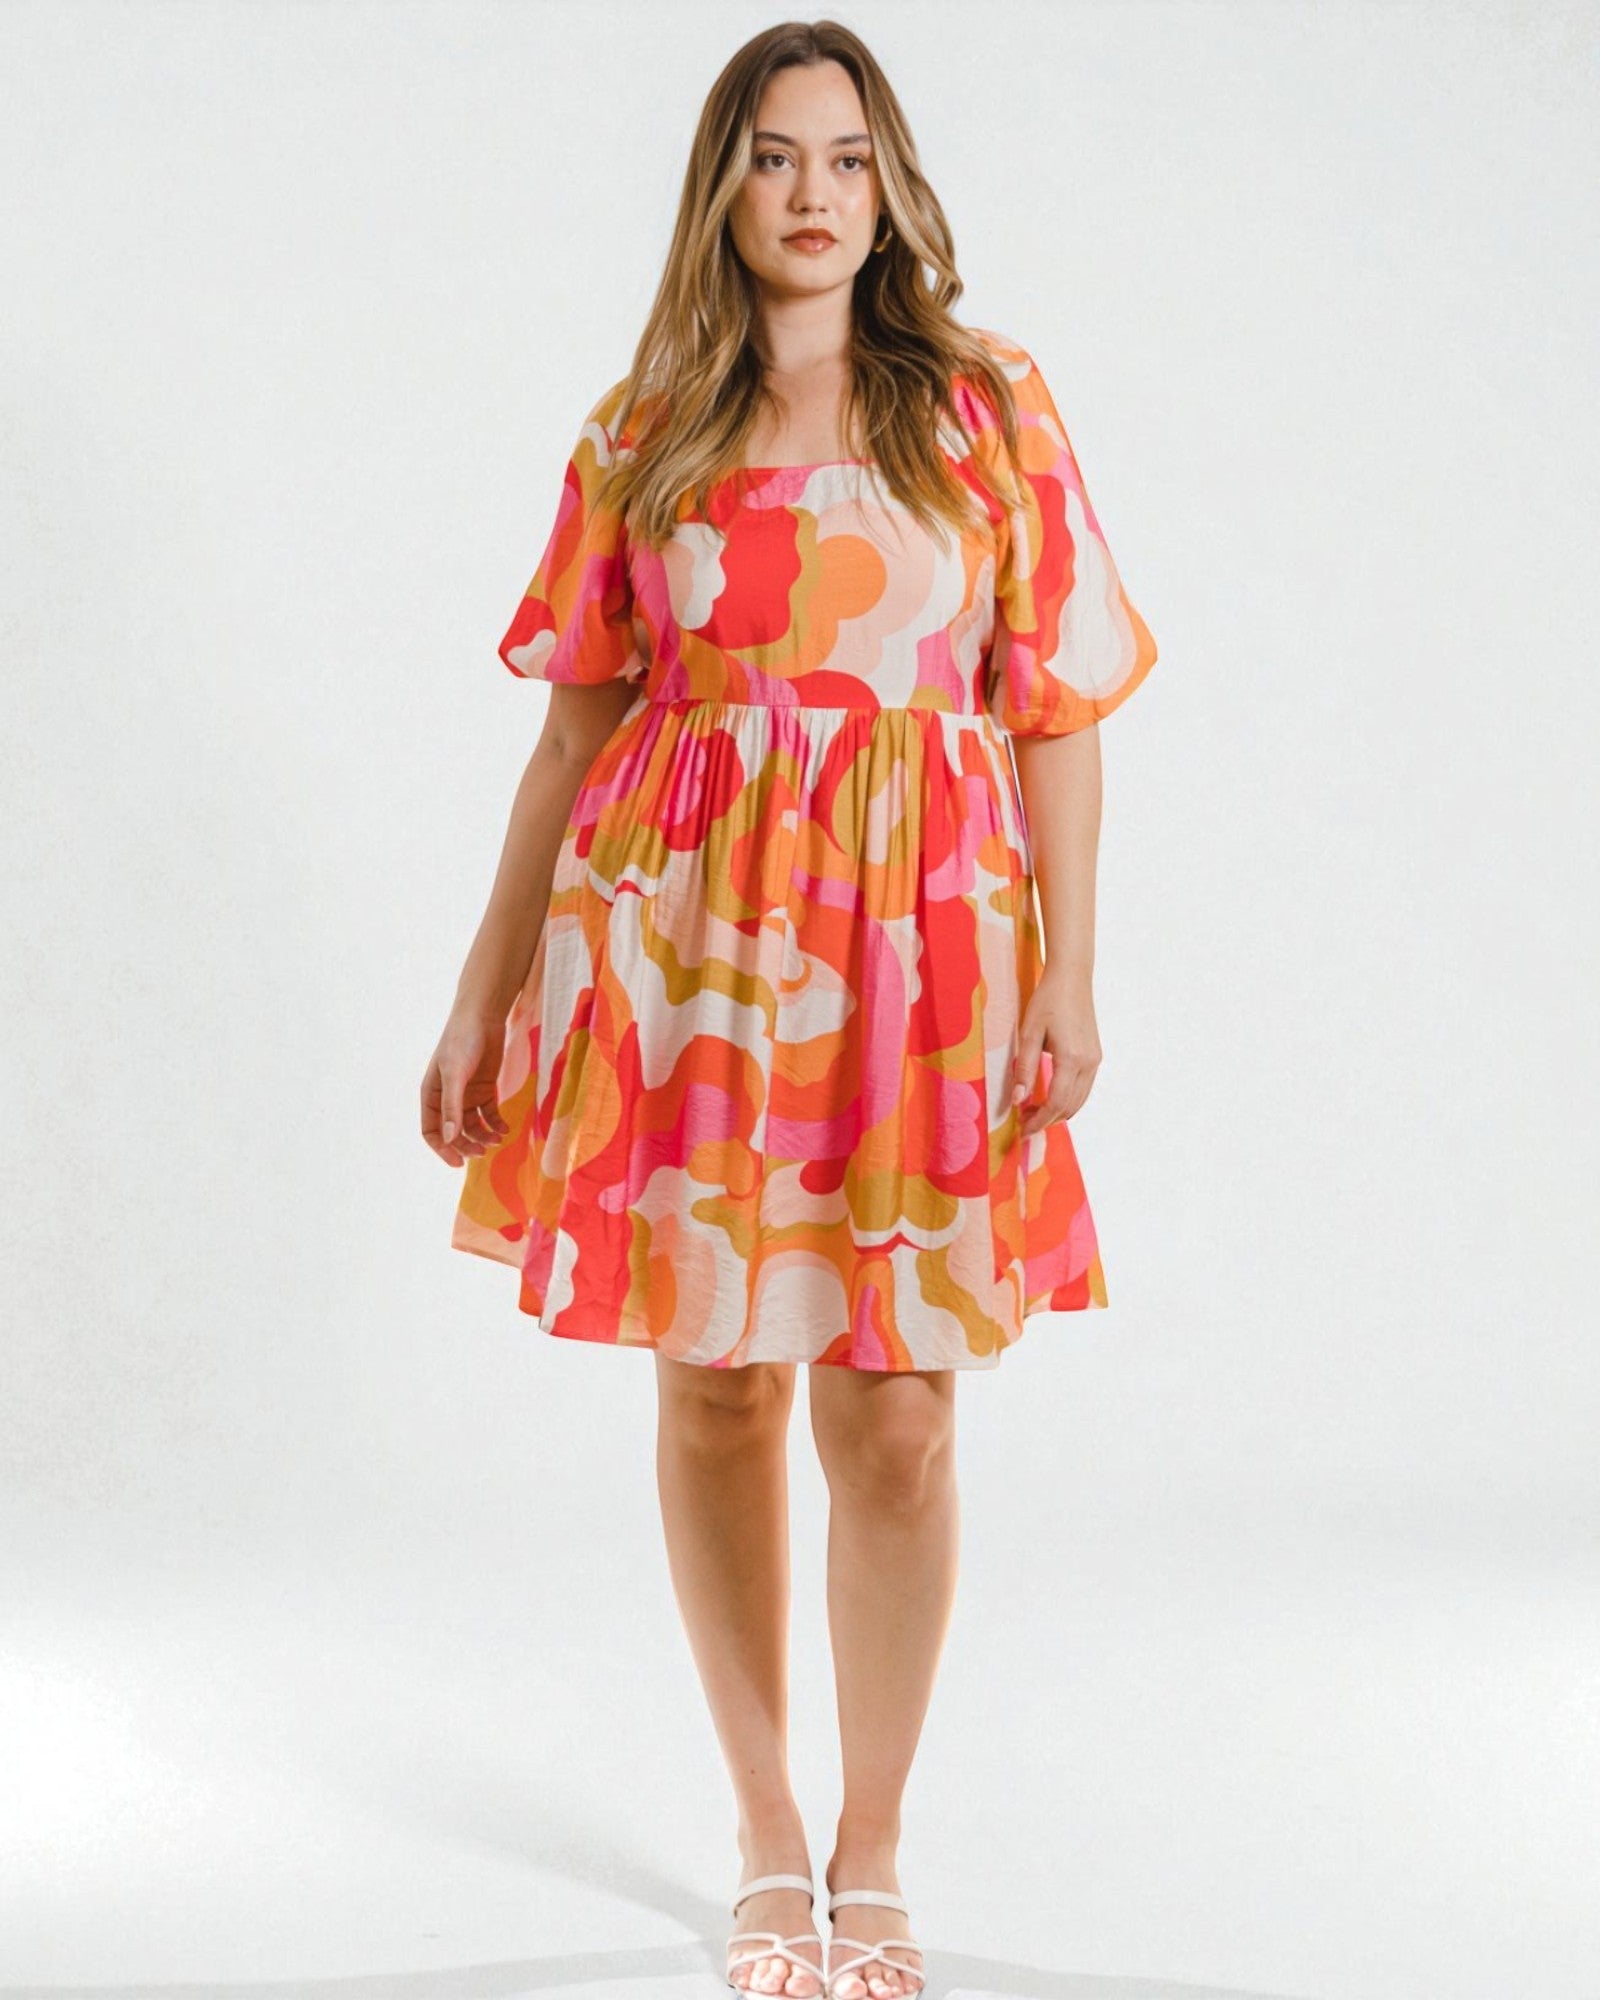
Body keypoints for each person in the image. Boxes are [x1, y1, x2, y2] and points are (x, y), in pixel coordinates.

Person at [422, 19, 1157, 1997]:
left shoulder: (985, 409)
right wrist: (485, 989)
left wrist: (1071, 970)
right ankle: (762, 1833)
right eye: (772, 155)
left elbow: (1055, 709)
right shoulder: (643, 428)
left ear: (889, 187)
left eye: (845, 156)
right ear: (721, 187)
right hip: (681, 957)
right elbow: (571, 735)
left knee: (896, 1415)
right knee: (718, 1380)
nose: (812, 192)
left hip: (925, 959)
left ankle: (871, 1842)